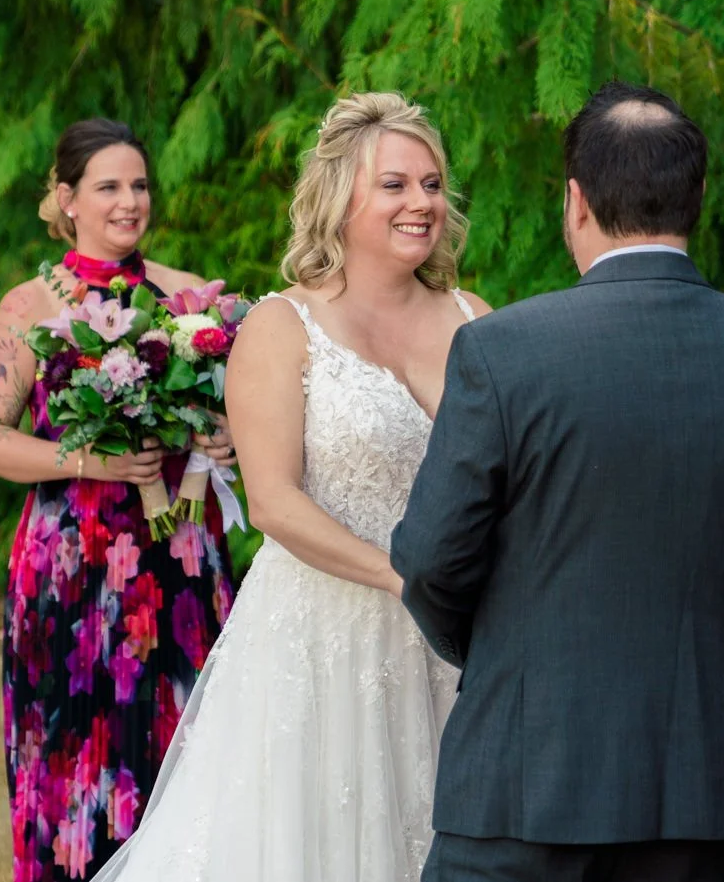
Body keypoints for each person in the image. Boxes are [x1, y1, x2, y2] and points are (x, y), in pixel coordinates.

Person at [390, 80, 724, 882]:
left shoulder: (504, 351)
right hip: (706, 777)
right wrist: (709, 594)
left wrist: (510, 640)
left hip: (528, 768)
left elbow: (432, 557)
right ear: (698, 197)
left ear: (575, 202)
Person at [89, 91, 492, 882]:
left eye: (434, 185)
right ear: (340, 199)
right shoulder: (282, 326)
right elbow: (273, 502)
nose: (422, 203)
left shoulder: (475, 320)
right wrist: (404, 576)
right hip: (320, 635)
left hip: (448, 642)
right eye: (396, 184)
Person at [0, 118, 238, 882]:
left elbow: (240, 411)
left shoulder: (189, 297)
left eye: (139, 185)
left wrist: (226, 443)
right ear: (66, 198)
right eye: (108, 186)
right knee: (74, 758)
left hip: (181, 559)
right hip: (74, 569)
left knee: (185, 755)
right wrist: (91, 459)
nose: (129, 202)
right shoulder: (30, 306)